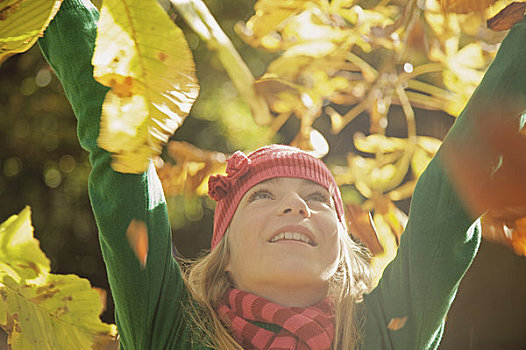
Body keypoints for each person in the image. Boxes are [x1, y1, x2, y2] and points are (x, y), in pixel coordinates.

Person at [38, 0, 526, 348]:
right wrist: (54, 10)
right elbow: (121, 161)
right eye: (262, 196)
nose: (296, 205)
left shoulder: (385, 329)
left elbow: (445, 205)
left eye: (317, 198)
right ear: (221, 253)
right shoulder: (169, 330)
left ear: (343, 254)